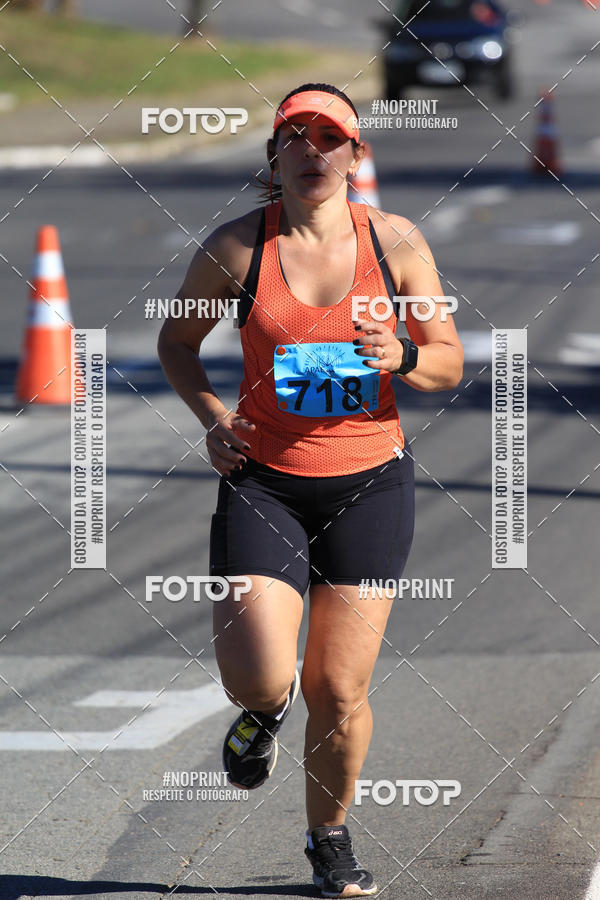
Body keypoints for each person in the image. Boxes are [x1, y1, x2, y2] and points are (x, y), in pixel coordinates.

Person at [158, 83, 463, 899]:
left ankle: (328, 839)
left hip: (370, 482)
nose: (312, 151)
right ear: (274, 155)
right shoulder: (235, 249)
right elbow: (177, 342)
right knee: (262, 677)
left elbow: (448, 361)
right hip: (264, 482)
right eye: (296, 136)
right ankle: (262, 716)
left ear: (356, 156)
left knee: (340, 687)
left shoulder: (397, 243)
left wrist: (401, 355)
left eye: (331, 138)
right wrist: (214, 416)